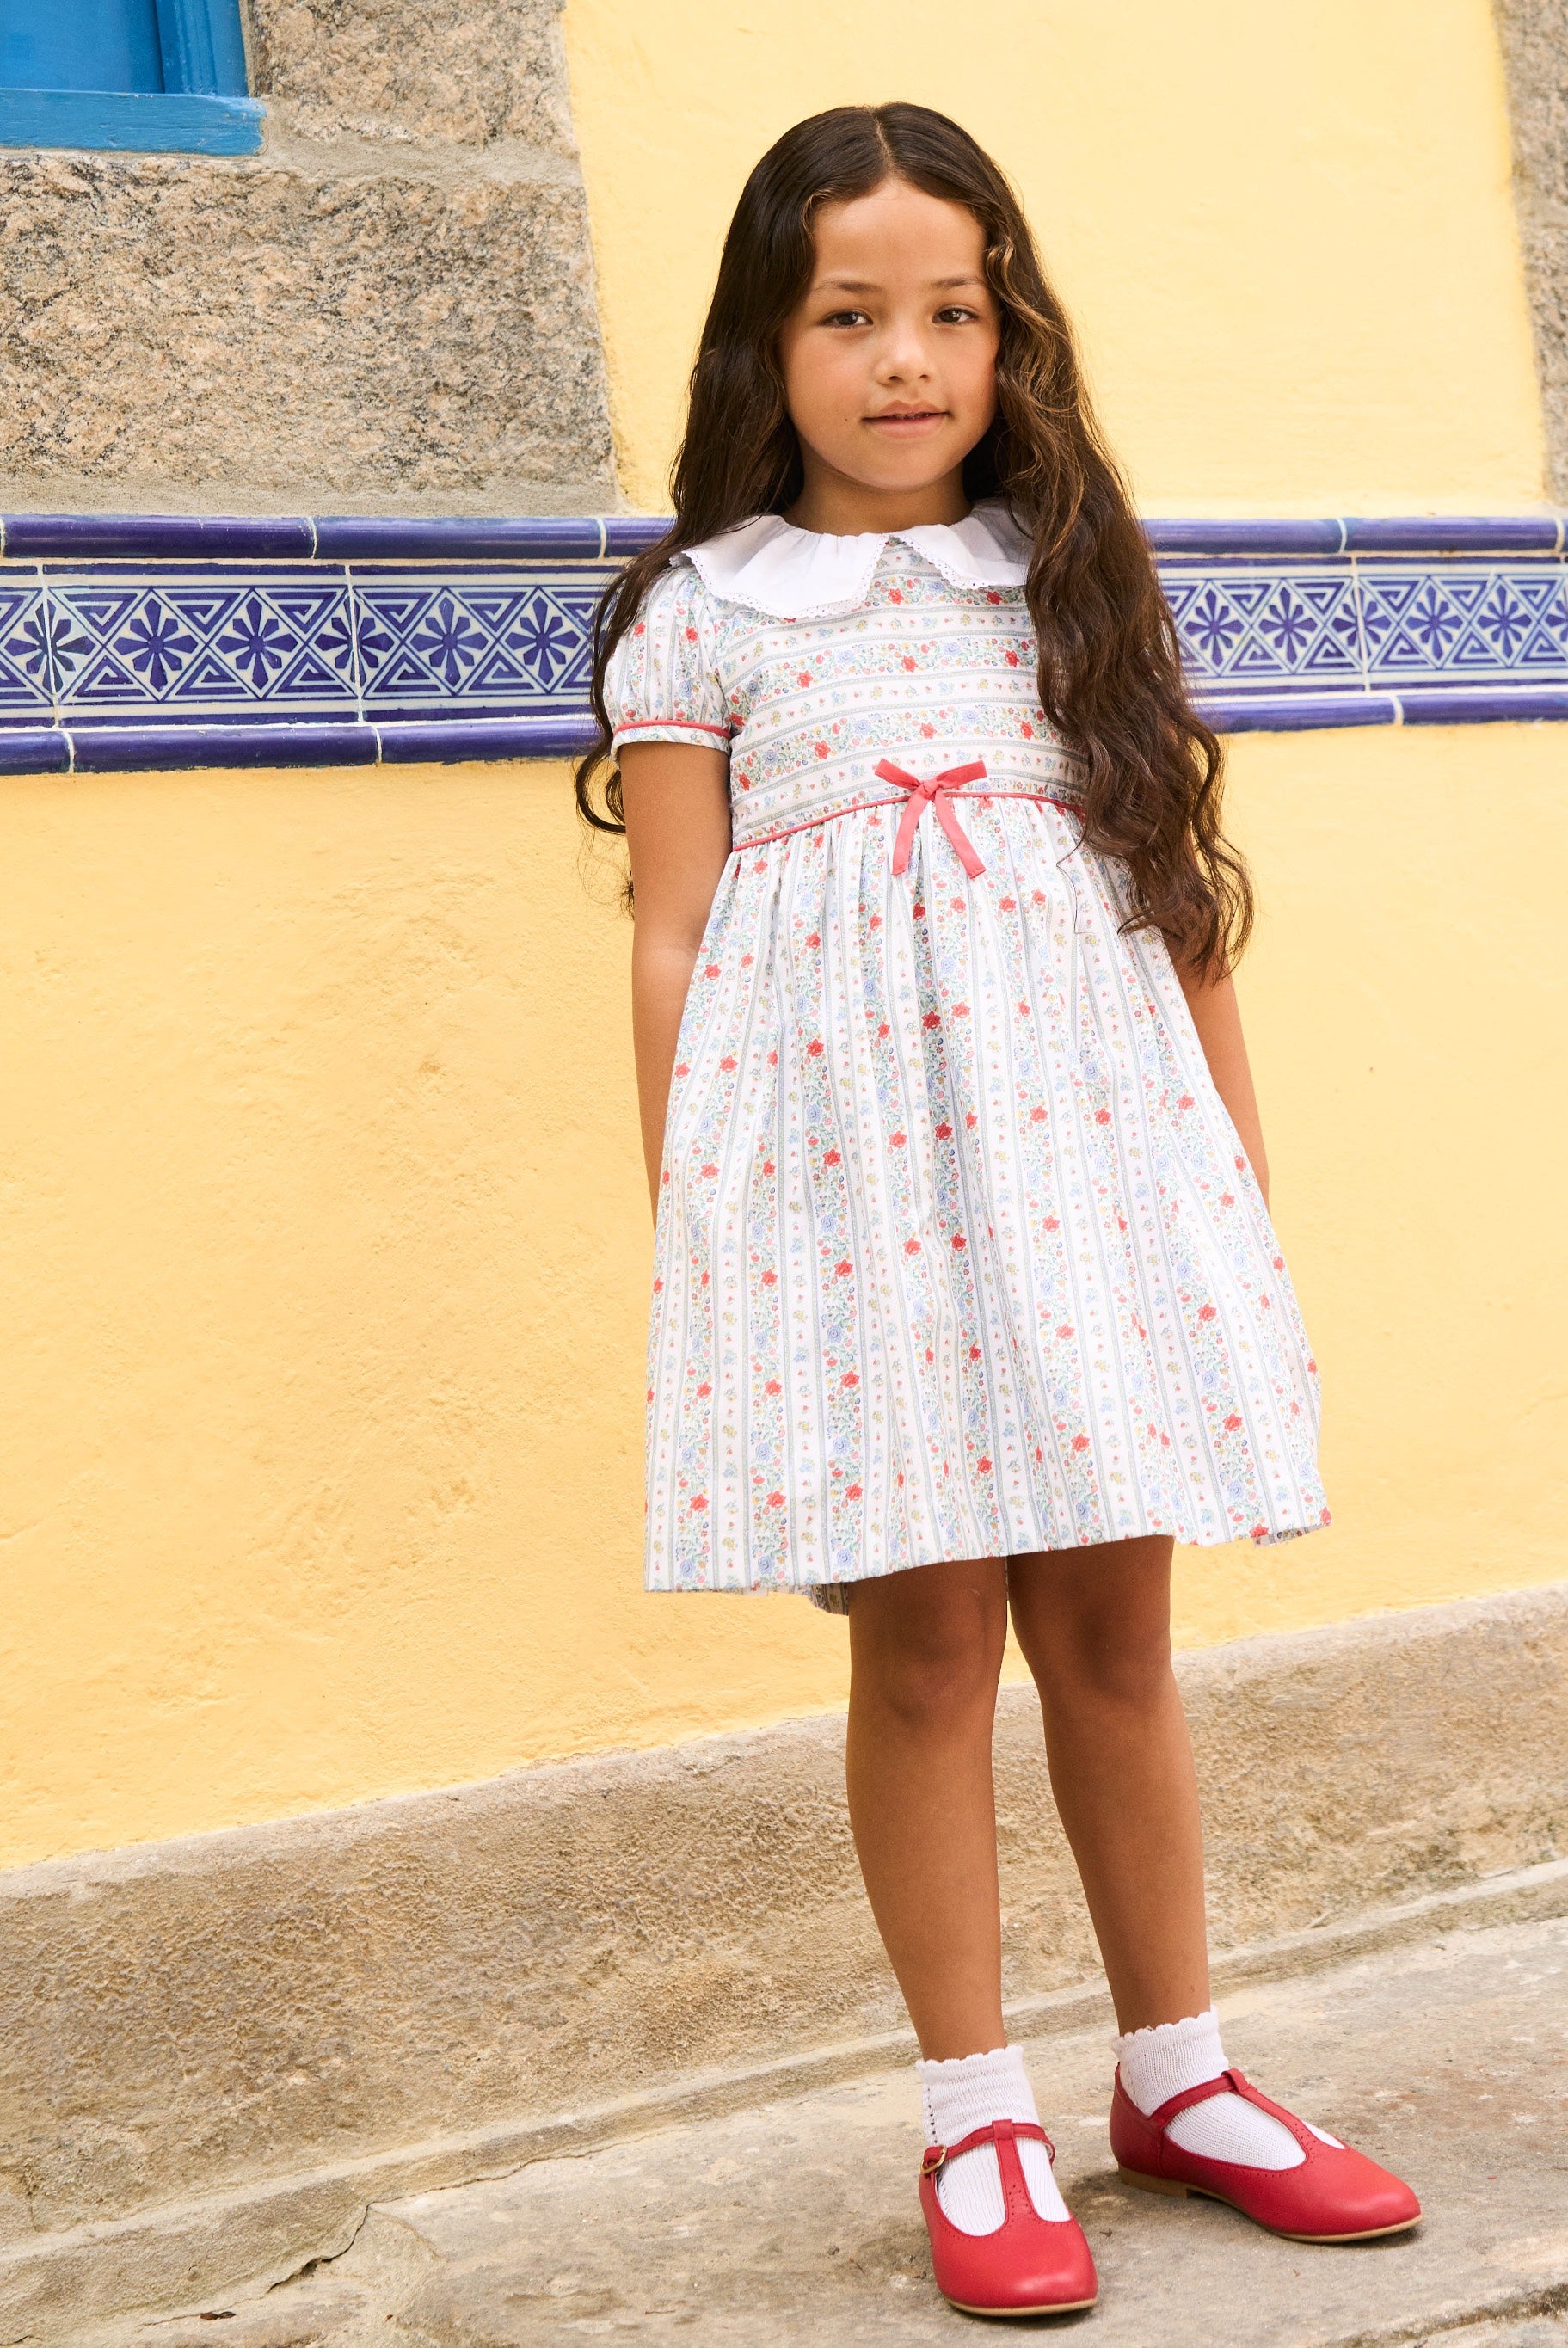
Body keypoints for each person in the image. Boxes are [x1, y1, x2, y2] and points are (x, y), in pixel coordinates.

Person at [576, 100, 1420, 2321]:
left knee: (1116, 1639)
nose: (904, 360)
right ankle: (975, 2108)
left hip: (1091, 1178)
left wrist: (1230, 1186)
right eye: (848, 315)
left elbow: (1174, 897)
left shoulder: (1062, 577)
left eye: (950, 313)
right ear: (765, 346)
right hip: (855, 1209)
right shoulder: (700, 623)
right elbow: (674, 940)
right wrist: (706, 1229)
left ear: (1004, 334)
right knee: (929, 1647)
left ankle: (1182, 2076)